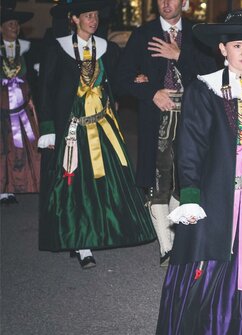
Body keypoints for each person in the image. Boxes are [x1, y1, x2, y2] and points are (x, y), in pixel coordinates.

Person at [156, 11, 242, 334]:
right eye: (237, 46)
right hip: (219, 196)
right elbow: (190, 147)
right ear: (223, 50)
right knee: (213, 270)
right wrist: (190, 196)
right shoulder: (204, 90)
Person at [37, 0, 156, 269]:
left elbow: (117, 78)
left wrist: (134, 79)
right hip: (73, 128)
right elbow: (46, 90)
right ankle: (81, 243)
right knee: (76, 186)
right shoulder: (58, 49)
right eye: (87, 16)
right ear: (74, 19)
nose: (93, 20)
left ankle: (106, 229)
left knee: (107, 182)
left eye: (95, 16)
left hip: (102, 125)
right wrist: (47, 128)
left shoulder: (106, 49)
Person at [116, 0, 216, 266]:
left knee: (187, 178)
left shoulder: (199, 34)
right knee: (157, 180)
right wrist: (151, 92)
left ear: (184, 2)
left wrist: (179, 55)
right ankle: (166, 247)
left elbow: (214, 73)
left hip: (193, 117)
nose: (166, 3)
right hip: (156, 119)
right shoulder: (142, 35)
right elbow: (121, 78)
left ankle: (180, 234)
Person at [0, 6, 41, 205]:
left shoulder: (25, 48)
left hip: (22, 104)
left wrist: (31, 97)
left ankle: (23, 184)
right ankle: (3, 188)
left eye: (16, 24)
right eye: (10, 24)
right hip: (2, 105)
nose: (14, 27)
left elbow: (31, 77)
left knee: (24, 144)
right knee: (3, 146)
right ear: (1, 29)